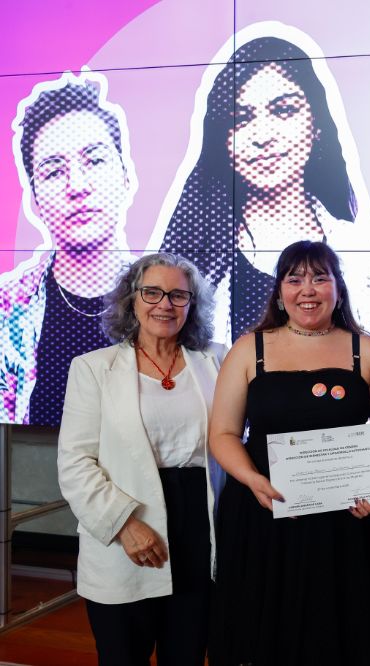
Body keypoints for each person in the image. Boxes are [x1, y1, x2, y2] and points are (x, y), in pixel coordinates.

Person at [208, 240, 370, 665]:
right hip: (263, 513)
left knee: (337, 633)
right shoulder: (249, 348)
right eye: (295, 279)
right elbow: (223, 434)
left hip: (344, 521)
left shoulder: (367, 350)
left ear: (338, 290)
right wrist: (254, 482)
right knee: (262, 631)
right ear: (279, 292)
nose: (307, 290)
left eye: (319, 278)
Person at [156, 30, 370, 341]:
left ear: (316, 125)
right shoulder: (197, 258)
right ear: (223, 138)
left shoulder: (368, 251)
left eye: (283, 110)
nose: (262, 136)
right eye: (242, 118)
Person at [57, 253, 224, 665]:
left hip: (201, 528)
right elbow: (76, 463)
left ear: (192, 304)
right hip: (128, 526)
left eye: (178, 295)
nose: (165, 304)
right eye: (152, 292)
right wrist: (124, 524)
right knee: (122, 655)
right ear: (131, 299)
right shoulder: (93, 368)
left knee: (186, 654)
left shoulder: (218, 359)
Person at [1, 72, 136, 425]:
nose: (77, 185)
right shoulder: (7, 309)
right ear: (34, 200)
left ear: (126, 178)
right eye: (53, 171)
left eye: (95, 160)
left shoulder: (168, 298)